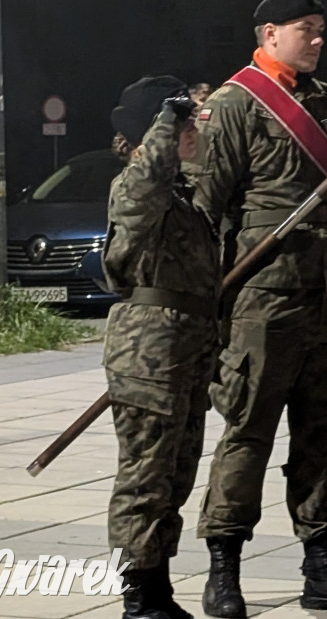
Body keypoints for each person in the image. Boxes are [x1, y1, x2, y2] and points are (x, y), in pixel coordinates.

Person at [191, 0, 327, 617]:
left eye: (323, 29)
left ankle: (322, 567)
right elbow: (207, 207)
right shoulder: (236, 104)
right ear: (269, 33)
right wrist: (205, 298)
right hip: (265, 297)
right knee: (248, 431)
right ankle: (224, 568)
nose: (318, 39)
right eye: (306, 29)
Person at [103, 75, 220, 619]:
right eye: (184, 123)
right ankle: (138, 592)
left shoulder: (183, 199)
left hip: (186, 347)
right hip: (149, 350)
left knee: (176, 471)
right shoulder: (135, 185)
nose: (193, 130)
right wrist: (167, 119)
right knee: (146, 473)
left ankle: (159, 584)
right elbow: (148, 176)